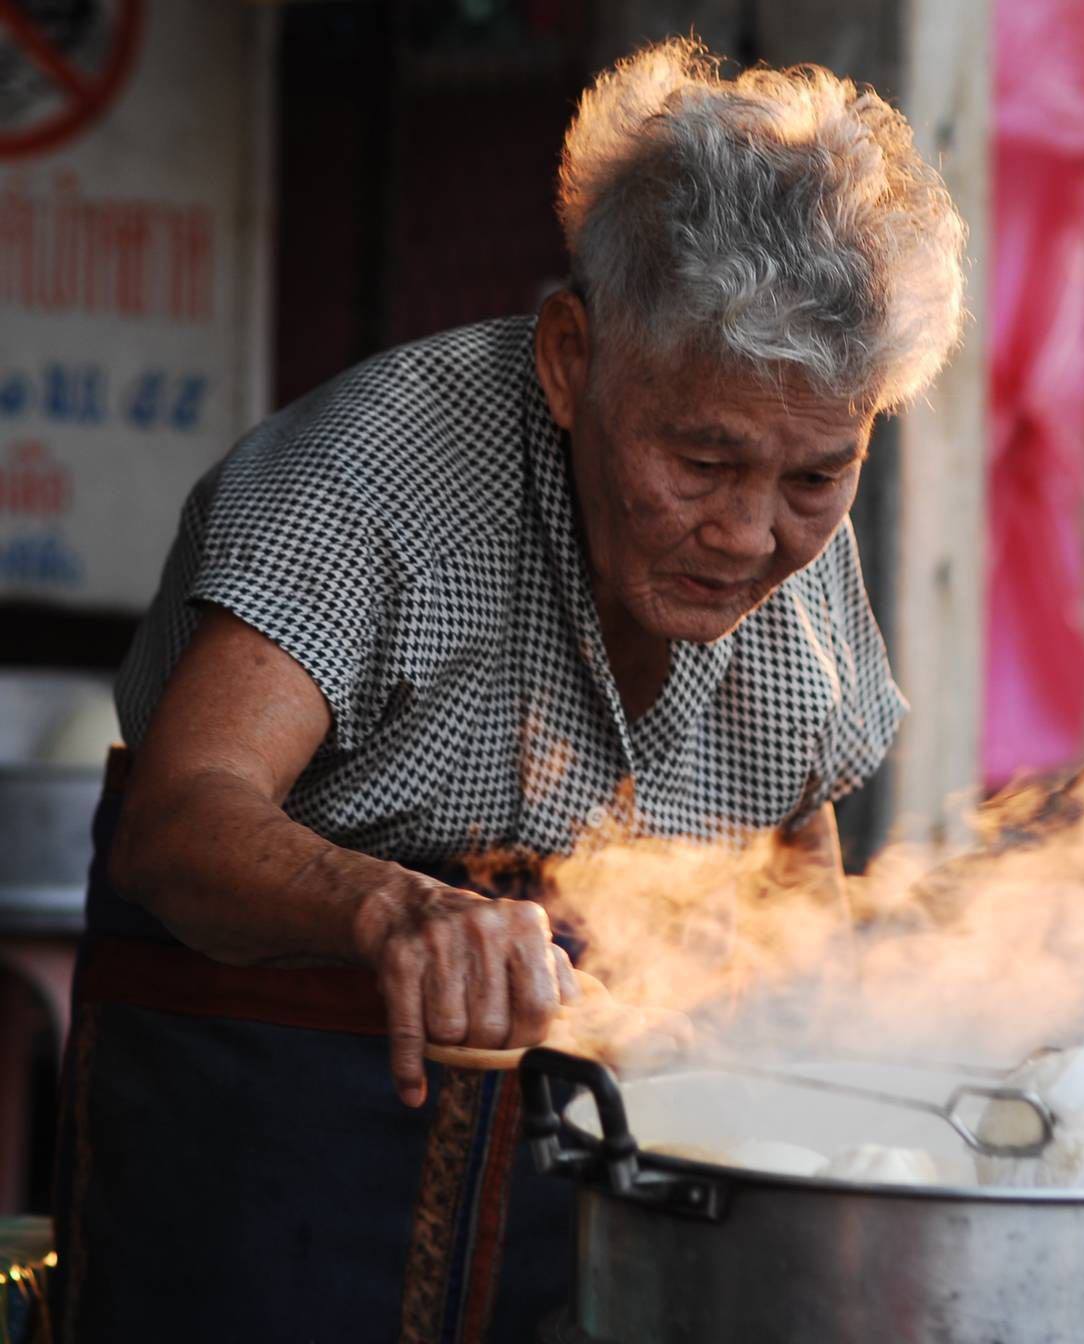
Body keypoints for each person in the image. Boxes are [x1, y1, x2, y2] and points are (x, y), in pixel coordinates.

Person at [53, 37, 965, 1341]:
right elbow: (186, 812)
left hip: (590, 1197)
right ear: (569, 358)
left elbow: (790, 841)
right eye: (701, 461)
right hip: (273, 1171)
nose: (751, 535)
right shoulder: (369, 486)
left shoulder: (783, 539)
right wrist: (391, 909)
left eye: (818, 478)